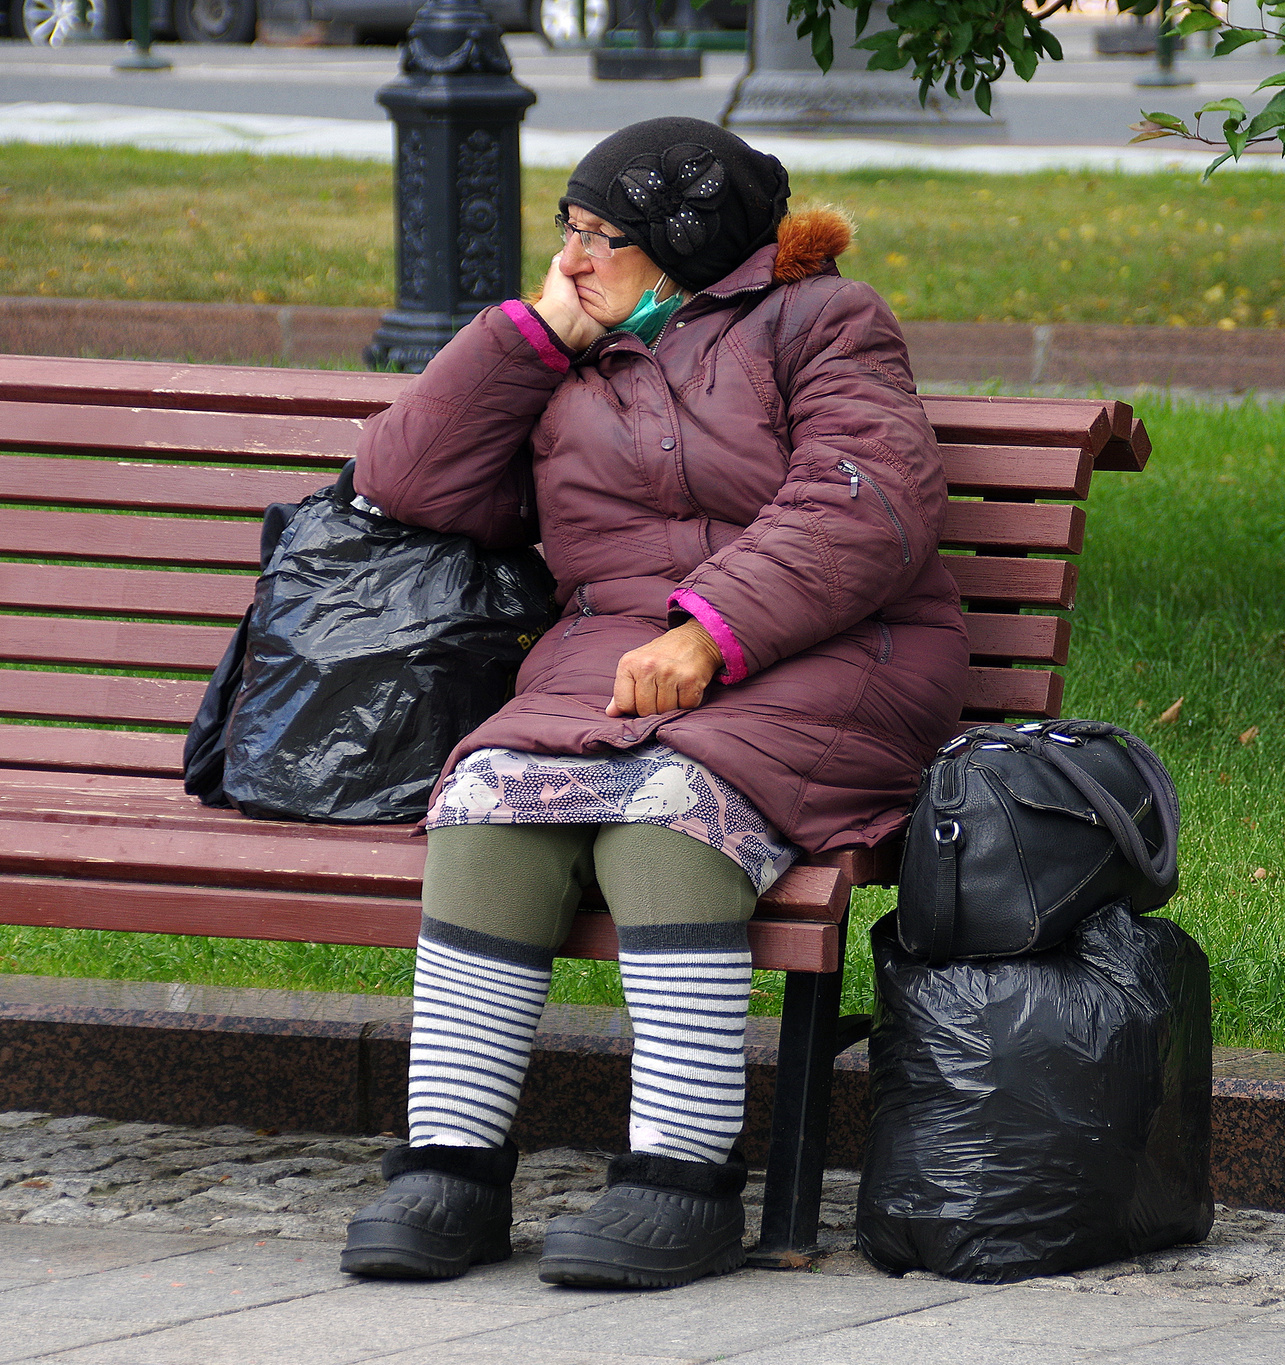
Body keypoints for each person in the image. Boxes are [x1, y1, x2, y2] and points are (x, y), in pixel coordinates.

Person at [340, 117, 968, 1290]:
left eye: (603, 237)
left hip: (836, 648)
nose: (572, 259)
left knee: (666, 809)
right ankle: (451, 1169)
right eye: (567, 229)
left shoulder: (824, 320)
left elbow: (866, 499)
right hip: (616, 657)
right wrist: (530, 336)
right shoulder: (570, 351)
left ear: (682, 243)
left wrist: (711, 627)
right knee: (489, 798)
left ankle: (684, 1182)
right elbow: (404, 481)